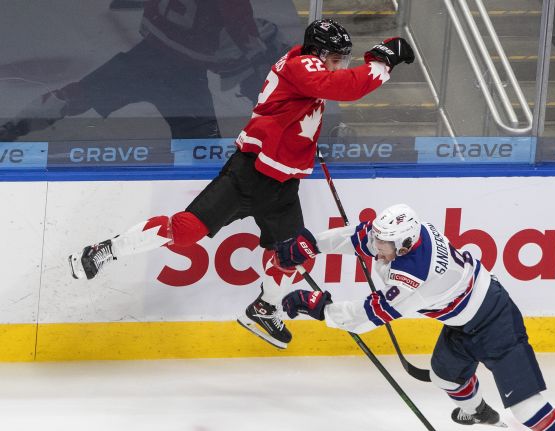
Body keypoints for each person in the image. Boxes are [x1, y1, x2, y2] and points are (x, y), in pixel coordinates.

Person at [67, 19, 415, 349]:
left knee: (296, 256)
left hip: (283, 187)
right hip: (249, 175)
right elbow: (342, 87)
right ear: (319, 54)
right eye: (336, 60)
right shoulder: (301, 65)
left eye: (343, 61)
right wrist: (381, 61)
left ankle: (264, 309)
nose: (339, 66)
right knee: (186, 230)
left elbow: (302, 107)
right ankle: (104, 250)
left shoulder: (311, 71)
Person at [277, 204, 555, 431]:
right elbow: (358, 237)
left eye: (384, 245)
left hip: (495, 319)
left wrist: (318, 307)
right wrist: (310, 246)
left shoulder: (416, 278)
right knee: (444, 375)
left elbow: (368, 316)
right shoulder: (402, 236)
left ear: (404, 246)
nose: (376, 249)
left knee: (526, 407)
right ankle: (478, 411)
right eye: (379, 241)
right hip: (461, 323)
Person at [0, 0, 284, 141]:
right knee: (203, 142)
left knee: (76, 95)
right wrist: (254, 49)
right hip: (184, 73)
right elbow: (241, 27)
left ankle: (13, 127)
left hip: (146, 55)